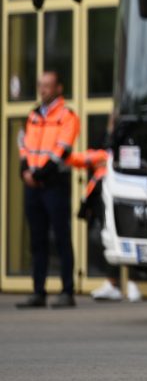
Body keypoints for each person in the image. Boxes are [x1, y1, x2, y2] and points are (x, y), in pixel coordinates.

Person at [16, 71, 80, 308]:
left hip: (54, 184)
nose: (42, 90)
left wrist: (39, 175)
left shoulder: (67, 116)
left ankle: (67, 291)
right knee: (37, 240)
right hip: (33, 185)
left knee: (61, 237)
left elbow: (61, 150)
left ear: (58, 89)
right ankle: (38, 292)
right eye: (40, 85)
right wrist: (24, 170)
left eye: (47, 86)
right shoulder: (33, 115)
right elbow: (23, 144)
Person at [68, 126, 141, 302]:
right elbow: (84, 159)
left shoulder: (129, 145)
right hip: (105, 197)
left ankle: (132, 282)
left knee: (128, 237)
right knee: (106, 238)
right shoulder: (104, 150)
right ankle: (113, 284)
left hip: (125, 195)